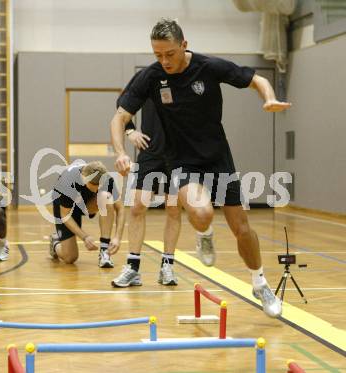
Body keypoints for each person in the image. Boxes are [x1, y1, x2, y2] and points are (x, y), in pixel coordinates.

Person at [110, 18, 291, 318]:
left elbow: (256, 79)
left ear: (184, 45)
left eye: (169, 53)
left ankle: (259, 283)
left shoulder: (209, 67)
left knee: (241, 229)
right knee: (201, 212)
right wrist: (120, 152)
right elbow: (119, 117)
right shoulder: (152, 77)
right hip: (181, 159)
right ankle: (204, 232)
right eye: (158, 55)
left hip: (218, 156)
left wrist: (269, 98)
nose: (164, 61)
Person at [112, 73, 214, 287]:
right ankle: (133, 267)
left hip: (179, 154)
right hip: (150, 149)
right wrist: (130, 131)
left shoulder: (191, 77)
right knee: (138, 205)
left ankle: (167, 265)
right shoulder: (147, 76)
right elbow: (122, 105)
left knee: (173, 210)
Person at [49, 160, 125, 267]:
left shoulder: (106, 179)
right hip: (66, 208)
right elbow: (65, 216)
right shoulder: (67, 182)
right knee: (70, 257)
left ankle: (104, 251)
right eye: (94, 185)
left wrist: (117, 237)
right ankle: (55, 242)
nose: (97, 188)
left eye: (100, 185)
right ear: (84, 178)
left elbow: (120, 209)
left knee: (106, 197)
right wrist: (84, 237)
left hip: (88, 203)